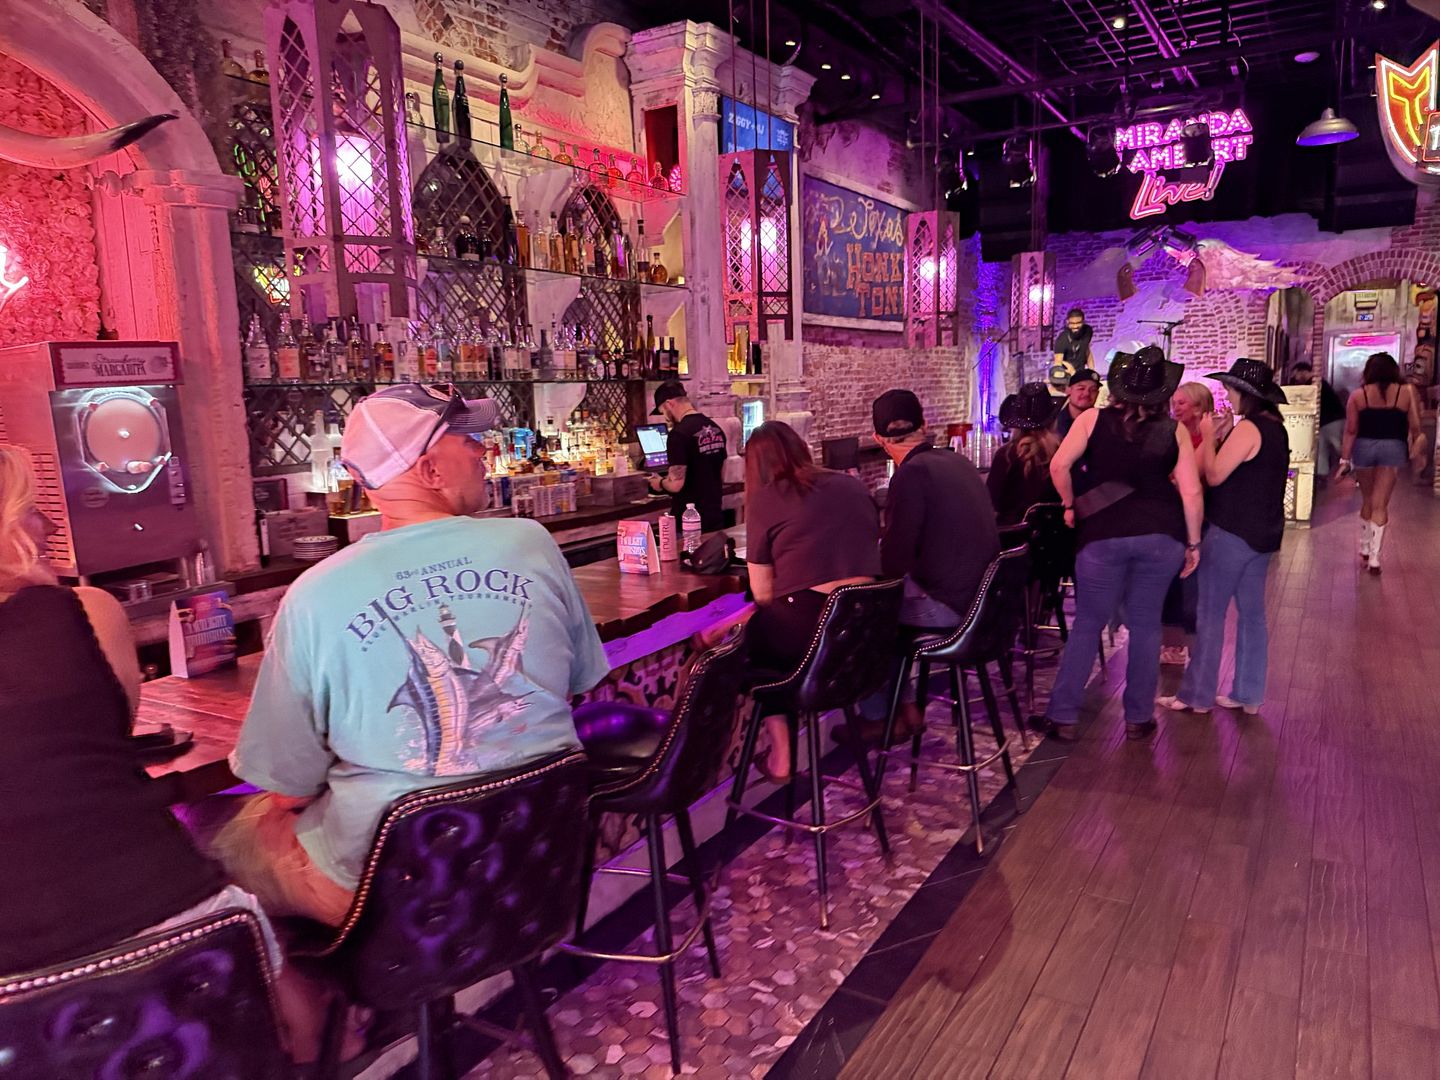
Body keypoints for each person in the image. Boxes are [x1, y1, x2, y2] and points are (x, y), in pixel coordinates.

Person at [199, 385, 611, 927]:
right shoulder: (530, 543)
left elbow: (286, 790)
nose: (484, 450)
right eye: (468, 440)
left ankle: (309, 980)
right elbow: (578, 683)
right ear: (430, 470)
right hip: (538, 855)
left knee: (218, 847)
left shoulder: (316, 593)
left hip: (401, 892)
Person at [0, 444, 319, 1045]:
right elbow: (105, 733)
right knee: (288, 1007)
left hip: (23, 1011)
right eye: (30, 510)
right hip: (181, 928)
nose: (46, 527)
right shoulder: (85, 611)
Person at [1031, 348, 1204, 742]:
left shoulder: (1091, 419)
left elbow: (1058, 465)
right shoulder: (1173, 430)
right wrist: (1193, 543)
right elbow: (1191, 492)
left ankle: (1063, 716)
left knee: (1088, 623)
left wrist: (1070, 504)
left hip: (1102, 534)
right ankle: (1138, 718)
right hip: (1161, 535)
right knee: (1146, 624)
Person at [739, 421, 881, 781]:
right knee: (774, 629)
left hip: (813, 639)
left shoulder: (767, 499)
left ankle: (781, 756)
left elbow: (763, 594)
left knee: (756, 643)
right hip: (863, 638)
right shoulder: (851, 484)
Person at [857, 389, 1000, 741]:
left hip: (953, 609)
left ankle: (880, 719)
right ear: (923, 425)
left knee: (864, 615)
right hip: (986, 604)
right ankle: (907, 708)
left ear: (878, 439)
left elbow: (894, 562)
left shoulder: (911, 475)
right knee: (893, 611)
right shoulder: (958, 461)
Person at [1159, 360, 1289, 717]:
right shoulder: (1276, 427)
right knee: (1252, 615)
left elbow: (1213, 475)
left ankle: (1196, 696)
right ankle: (1248, 694)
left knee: (1209, 615)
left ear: (1246, 394)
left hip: (1232, 532)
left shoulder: (1250, 428)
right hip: (1263, 535)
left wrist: (1209, 435)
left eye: (1230, 390)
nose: (1227, 397)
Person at [1337, 352, 1422, 573]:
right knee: (1380, 504)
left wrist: (1344, 460)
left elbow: (1351, 430)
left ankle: (1365, 546)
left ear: (1368, 372)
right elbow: (1415, 426)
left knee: (1367, 499)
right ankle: (1374, 559)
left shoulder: (1358, 395)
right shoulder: (1405, 393)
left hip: (1364, 448)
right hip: (1394, 448)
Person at [1160, 381, 1214, 666]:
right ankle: (1173, 643)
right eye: (1174, 402)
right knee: (1172, 581)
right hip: (1173, 515)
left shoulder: (1210, 438)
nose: (1175, 408)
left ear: (1199, 407)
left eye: (1182, 403)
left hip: (1202, 517)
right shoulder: (1172, 435)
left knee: (1193, 585)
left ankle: (1193, 645)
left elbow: (1194, 474)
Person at [647, 379, 728, 532]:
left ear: (669, 404)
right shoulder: (716, 429)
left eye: (663, 411)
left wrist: (659, 483)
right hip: (714, 516)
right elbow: (722, 473)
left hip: (689, 522)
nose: (665, 418)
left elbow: (676, 484)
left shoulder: (678, 434)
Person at [987, 382, 1062, 526]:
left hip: (1013, 533)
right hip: (1056, 531)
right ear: (1052, 420)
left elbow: (991, 504)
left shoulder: (1006, 455)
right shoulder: (1064, 451)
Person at [1289, 361, 1345, 478]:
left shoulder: (1316, 384)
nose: (1296, 378)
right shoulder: (1317, 383)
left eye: (1296, 374)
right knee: (1321, 450)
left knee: (1339, 447)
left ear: (1303, 371)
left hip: (1332, 421)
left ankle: (1352, 470)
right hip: (1325, 422)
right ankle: (1321, 476)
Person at [1054, 368, 1101, 440]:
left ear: (1097, 394)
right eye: (1081, 388)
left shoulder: (1103, 423)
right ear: (1069, 390)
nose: (1086, 393)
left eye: (1093, 390)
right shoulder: (1053, 424)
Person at [1052, 307, 1095, 382]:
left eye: (1078, 323)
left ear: (1083, 322)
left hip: (1081, 374)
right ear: (1067, 322)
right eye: (1072, 323)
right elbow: (1058, 362)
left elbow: (1087, 350)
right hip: (1067, 376)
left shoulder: (1088, 331)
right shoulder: (1062, 340)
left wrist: (1092, 371)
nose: (1075, 326)